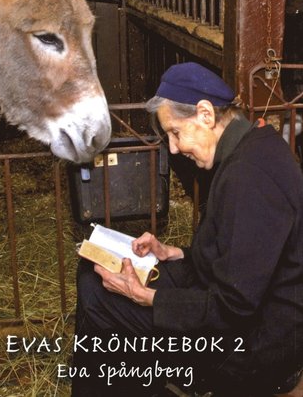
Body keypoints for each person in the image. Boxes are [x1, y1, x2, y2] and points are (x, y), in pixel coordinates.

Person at [71, 62, 303, 397]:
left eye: (175, 132)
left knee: (102, 304)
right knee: (92, 275)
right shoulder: (249, 150)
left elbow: (235, 307)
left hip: (254, 346)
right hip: (233, 306)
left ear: (206, 115)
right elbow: (243, 259)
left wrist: (145, 296)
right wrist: (174, 252)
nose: (175, 147)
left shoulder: (249, 177)